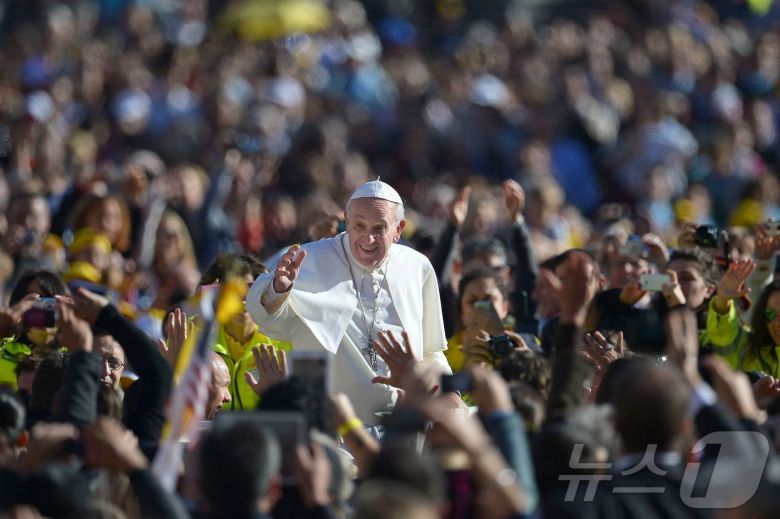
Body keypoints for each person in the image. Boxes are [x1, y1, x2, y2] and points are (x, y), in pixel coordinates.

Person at [247, 180, 450, 424]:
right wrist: (280, 288)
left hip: (403, 423)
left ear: (399, 229)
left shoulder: (417, 267)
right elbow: (264, 317)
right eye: (359, 226)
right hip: (333, 427)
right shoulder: (308, 258)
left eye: (379, 229)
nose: (368, 238)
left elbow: (431, 349)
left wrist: (449, 391)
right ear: (347, 219)